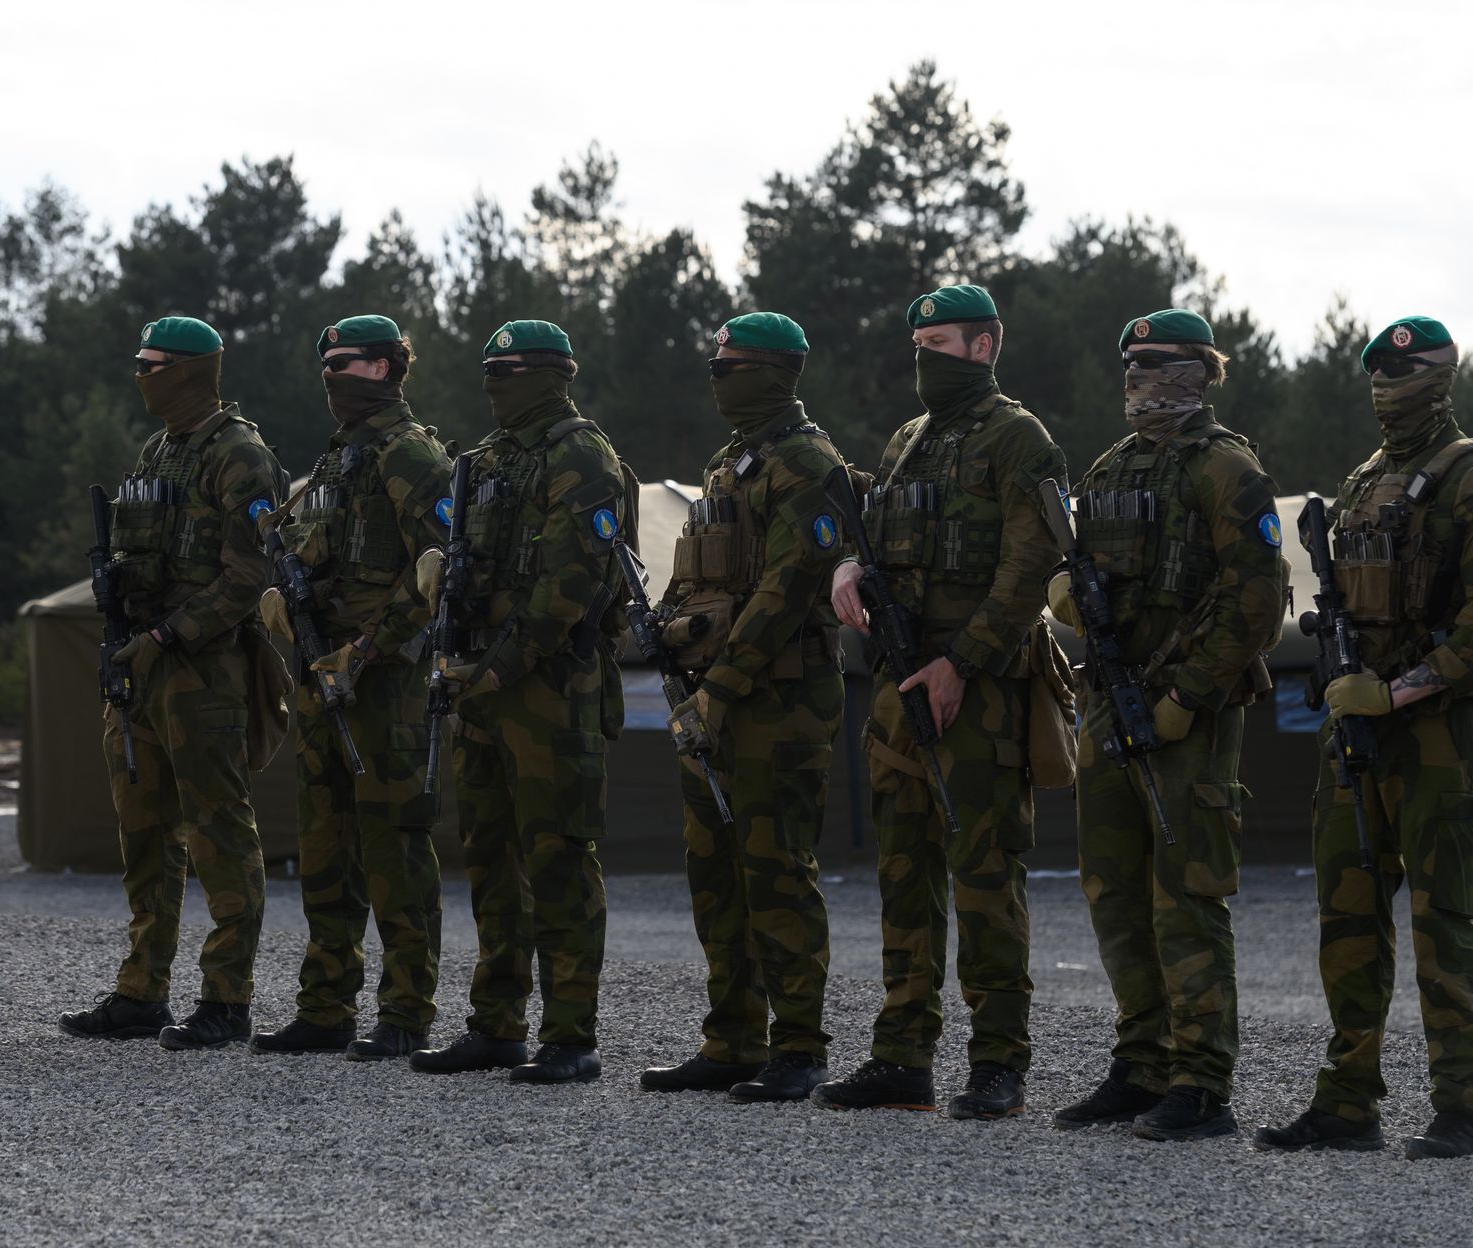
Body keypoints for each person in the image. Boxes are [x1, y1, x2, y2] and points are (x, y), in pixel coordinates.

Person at [816, 284, 1065, 1120]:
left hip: (978, 693)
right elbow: (877, 540)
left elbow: (1029, 570)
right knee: (903, 874)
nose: (925, 359)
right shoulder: (906, 441)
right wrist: (848, 568)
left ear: (984, 346)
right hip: (899, 683)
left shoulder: (1019, 439)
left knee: (986, 877)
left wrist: (961, 663)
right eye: (918, 345)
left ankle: (998, 1062)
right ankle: (902, 1055)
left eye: (941, 345)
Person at [1047, 309, 1285, 1141]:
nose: (1137, 376)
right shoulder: (1112, 466)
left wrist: (1187, 695)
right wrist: (1068, 594)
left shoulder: (1226, 468)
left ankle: (1203, 1080)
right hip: (1110, 701)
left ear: (1198, 372)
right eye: (1131, 362)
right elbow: (1074, 569)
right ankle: (1143, 1062)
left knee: (1187, 892)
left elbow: (1259, 600)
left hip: (1187, 711)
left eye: (1156, 362)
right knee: (1113, 890)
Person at [1256, 316, 1473, 1160]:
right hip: (1355, 734)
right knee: (1347, 919)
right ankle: (1348, 1101)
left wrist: (1396, 690)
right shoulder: (1363, 479)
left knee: (1448, 922)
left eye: (1404, 372)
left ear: (1442, 376)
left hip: (1439, 739)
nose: (1388, 385)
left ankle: (1462, 1103)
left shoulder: (1464, 476)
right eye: (1378, 372)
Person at [637, 312, 850, 1103]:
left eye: (729, 366)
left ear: (769, 372)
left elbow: (787, 591)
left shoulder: (809, 463)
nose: (717, 378)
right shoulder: (730, 464)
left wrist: (720, 691)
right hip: (713, 698)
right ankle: (731, 1039)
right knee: (716, 870)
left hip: (778, 701)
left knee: (776, 870)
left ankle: (798, 1045)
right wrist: (667, 628)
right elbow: (703, 575)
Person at [408, 319, 627, 1085]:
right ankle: (496, 1023)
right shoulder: (486, 460)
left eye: (510, 371)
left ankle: (570, 1033)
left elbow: (570, 585)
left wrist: (498, 669)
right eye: (489, 370)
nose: (495, 383)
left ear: (550, 375)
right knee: (491, 858)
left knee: (559, 859)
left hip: (549, 691)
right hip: (480, 688)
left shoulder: (582, 455)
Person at [59, 317, 283, 1050]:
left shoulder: (240, 454)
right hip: (141, 668)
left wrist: (167, 635)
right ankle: (141, 990)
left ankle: (226, 998)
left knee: (219, 832)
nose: (141, 375)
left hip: (202, 672)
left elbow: (250, 575)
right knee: (145, 833)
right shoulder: (159, 451)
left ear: (187, 371)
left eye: (151, 364)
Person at [252, 314, 451, 1060]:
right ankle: (325, 1005)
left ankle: (406, 1009)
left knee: (394, 847)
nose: (332, 374)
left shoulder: (410, 454)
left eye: (348, 362)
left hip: (384, 683)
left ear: (387, 368)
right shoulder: (338, 460)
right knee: (324, 845)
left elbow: (438, 569)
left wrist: (365, 651)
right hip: (319, 672)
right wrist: (286, 602)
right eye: (327, 362)